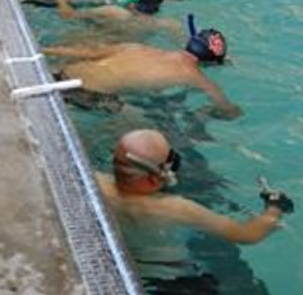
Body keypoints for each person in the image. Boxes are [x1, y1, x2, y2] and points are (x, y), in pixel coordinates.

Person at [96, 129, 294, 244]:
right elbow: (246, 235)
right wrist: (274, 209)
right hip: (173, 275)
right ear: (156, 177)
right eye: (170, 159)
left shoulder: (96, 183)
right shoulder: (175, 208)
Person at [43, 15, 241, 118]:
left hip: (65, 73)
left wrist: (46, 50)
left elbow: (88, 52)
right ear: (210, 62)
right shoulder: (194, 77)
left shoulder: (136, 47)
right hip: (88, 95)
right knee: (141, 121)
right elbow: (227, 109)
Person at [56, 0, 183, 41]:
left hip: (98, 44)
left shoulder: (114, 12)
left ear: (131, 1)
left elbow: (68, 15)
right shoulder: (166, 24)